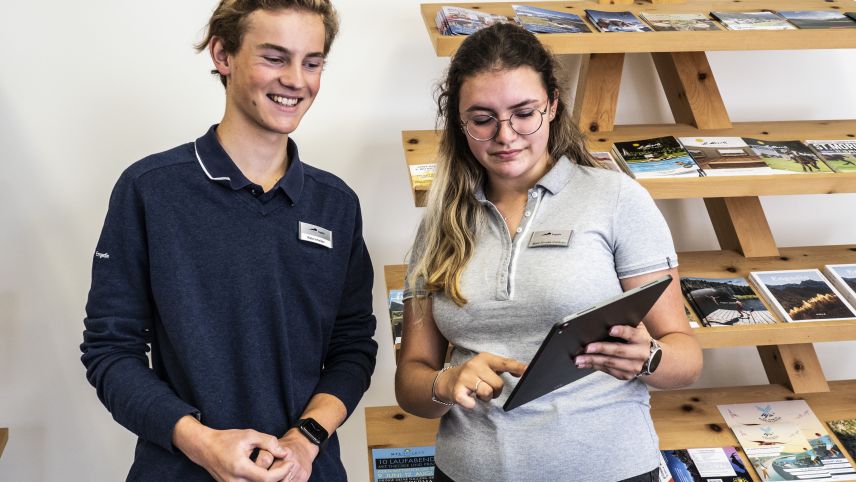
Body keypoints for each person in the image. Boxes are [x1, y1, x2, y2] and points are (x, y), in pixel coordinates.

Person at [80, 1, 377, 481]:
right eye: (275, 58)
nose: (297, 80)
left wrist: (305, 441)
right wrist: (202, 443)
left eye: (312, 62)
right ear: (223, 55)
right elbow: (109, 352)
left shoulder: (336, 205)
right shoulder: (150, 190)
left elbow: (353, 347)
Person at [394, 23, 702, 482]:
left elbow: (686, 356)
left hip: (611, 470)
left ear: (553, 104)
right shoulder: (440, 222)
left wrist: (650, 357)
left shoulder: (616, 198)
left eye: (524, 113)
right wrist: (445, 382)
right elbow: (411, 381)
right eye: (482, 119)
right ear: (460, 123)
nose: (506, 135)